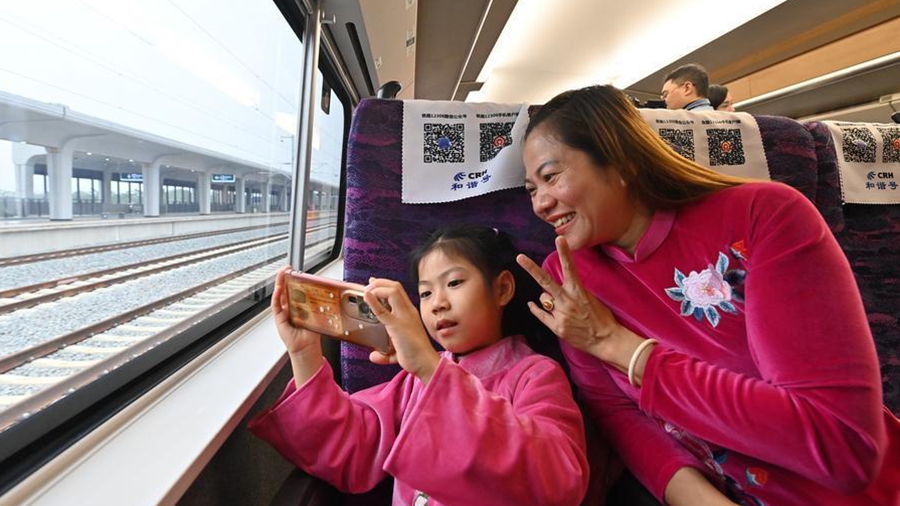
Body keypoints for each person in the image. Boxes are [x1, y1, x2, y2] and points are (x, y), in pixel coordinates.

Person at [516, 85, 899, 506]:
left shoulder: (763, 216)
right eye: (532, 189)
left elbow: (842, 450)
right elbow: (614, 411)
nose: (540, 205)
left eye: (551, 177)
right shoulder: (567, 274)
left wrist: (615, 344)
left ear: (621, 161)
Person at [250, 225, 590, 506]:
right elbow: (352, 448)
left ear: (501, 288)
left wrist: (430, 369)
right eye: (425, 294)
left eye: (454, 283)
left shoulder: (535, 375)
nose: (438, 304)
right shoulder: (415, 380)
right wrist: (304, 354)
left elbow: (558, 480)